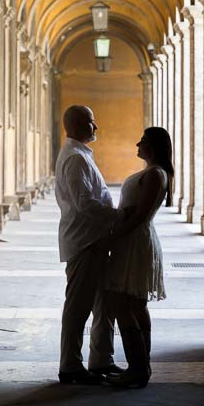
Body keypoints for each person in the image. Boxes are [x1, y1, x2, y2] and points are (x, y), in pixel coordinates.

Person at [55, 104, 127, 385]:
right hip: (84, 241)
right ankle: (70, 365)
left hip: (93, 240)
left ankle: (100, 360)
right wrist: (117, 214)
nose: (96, 127)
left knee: (103, 304)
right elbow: (83, 202)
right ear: (75, 125)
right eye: (91, 122)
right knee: (78, 307)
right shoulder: (75, 158)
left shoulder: (80, 154)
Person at [105, 126, 174, 389]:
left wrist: (113, 237)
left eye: (143, 140)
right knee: (135, 304)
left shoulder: (155, 174)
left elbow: (141, 215)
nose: (138, 143)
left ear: (154, 146)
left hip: (135, 241)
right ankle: (141, 367)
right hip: (134, 240)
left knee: (123, 303)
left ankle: (137, 367)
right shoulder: (153, 172)